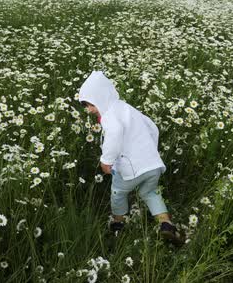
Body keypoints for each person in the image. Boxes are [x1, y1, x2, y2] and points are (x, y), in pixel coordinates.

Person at [78, 71, 184, 246]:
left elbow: (115, 133)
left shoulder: (110, 115)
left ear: (100, 98)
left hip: (130, 169)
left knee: (118, 193)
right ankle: (166, 224)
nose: (88, 110)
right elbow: (152, 127)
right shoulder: (127, 108)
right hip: (152, 165)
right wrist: (150, 152)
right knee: (150, 192)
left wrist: (106, 160)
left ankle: (118, 223)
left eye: (90, 104)